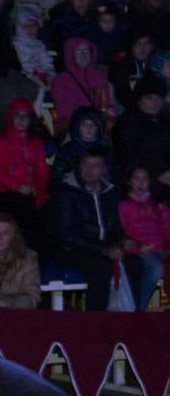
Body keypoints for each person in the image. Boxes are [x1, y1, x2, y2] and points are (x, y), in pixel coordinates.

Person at [48, 152, 123, 311]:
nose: (89, 170)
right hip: (71, 250)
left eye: (95, 165)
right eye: (85, 165)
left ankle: (132, 317)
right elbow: (66, 234)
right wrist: (104, 250)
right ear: (79, 166)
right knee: (101, 268)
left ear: (103, 169)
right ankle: (95, 322)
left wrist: (122, 242)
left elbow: (116, 226)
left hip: (102, 248)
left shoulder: (110, 193)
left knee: (134, 263)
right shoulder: (65, 192)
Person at [0, 99, 50, 233]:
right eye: (17, 115)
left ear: (30, 119)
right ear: (11, 118)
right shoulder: (0, 142)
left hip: (33, 194)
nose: (21, 119)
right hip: (7, 194)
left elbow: (42, 170)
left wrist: (38, 188)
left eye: (25, 115)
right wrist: (18, 187)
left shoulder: (36, 143)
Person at [111, 76, 170, 201]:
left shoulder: (166, 120)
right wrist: (157, 174)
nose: (155, 102)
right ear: (139, 100)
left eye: (158, 98)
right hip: (142, 184)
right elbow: (127, 157)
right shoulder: (128, 123)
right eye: (149, 98)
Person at [119, 167, 170, 310]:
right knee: (156, 269)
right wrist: (137, 247)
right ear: (130, 182)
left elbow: (167, 226)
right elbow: (121, 233)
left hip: (160, 249)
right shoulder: (123, 205)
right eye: (137, 178)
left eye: (145, 179)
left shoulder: (157, 204)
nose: (141, 183)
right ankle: (140, 308)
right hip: (139, 250)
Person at [51, 37, 112, 137]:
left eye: (86, 50)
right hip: (72, 127)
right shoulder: (60, 81)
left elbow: (107, 104)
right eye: (78, 51)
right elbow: (64, 111)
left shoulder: (99, 77)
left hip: (97, 126)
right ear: (71, 55)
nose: (83, 54)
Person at [50, 106, 110, 189]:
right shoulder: (67, 150)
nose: (89, 128)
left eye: (93, 125)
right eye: (84, 124)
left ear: (98, 127)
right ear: (77, 127)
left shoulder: (106, 150)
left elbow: (111, 175)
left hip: (99, 190)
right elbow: (57, 173)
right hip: (73, 190)